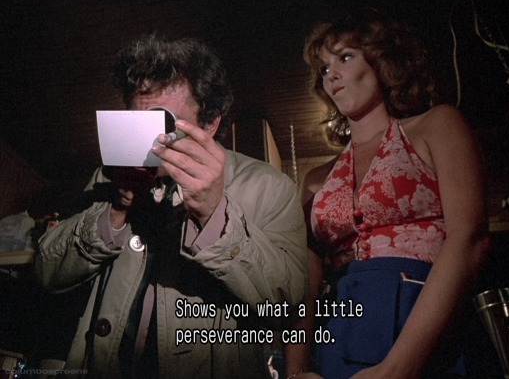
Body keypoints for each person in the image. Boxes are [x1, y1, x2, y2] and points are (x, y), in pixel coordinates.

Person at [35, 35, 307, 378]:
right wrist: (117, 207)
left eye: (161, 121)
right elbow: (47, 271)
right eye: (136, 120)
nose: (147, 137)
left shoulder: (268, 186)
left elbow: (287, 306)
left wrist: (214, 214)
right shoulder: (107, 178)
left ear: (210, 122)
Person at [284, 8, 491, 379]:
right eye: (324, 68)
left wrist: (399, 367)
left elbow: (469, 237)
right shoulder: (317, 178)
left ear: (380, 61)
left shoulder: (436, 126)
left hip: (427, 327)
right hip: (341, 335)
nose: (331, 74)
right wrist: (297, 370)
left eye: (345, 58)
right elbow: (304, 282)